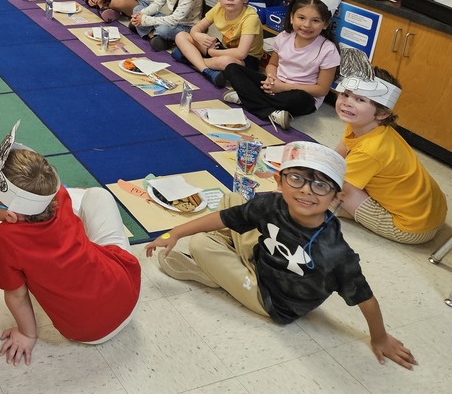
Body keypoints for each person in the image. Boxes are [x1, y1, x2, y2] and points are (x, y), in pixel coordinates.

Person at [146, 141, 417, 370]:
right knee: (233, 201)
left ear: (336, 197)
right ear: (279, 181)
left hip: (272, 300)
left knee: (201, 245)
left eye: (321, 186)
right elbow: (226, 215)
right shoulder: (272, 204)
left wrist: (379, 338)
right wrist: (175, 232)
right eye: (296, 178)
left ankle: (210, 272)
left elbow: (365, 298)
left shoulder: (334, 253)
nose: (306, 190)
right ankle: (231, 255)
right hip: (263, 257)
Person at [0, 123, 141, 364]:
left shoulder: (5, 239)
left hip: (86, 333)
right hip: (127, 294)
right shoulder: (59, 196)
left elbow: (17, 295)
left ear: (11, 216)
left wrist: (27, 333)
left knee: (91, 200)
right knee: (98, 195)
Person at [333, 69, 447, 244]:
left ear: (382, 113)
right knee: (345, 176)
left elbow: (335, 182)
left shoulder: (369, 149)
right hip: (433, 211)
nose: (346, 103)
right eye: (345, 94)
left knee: (339, 192)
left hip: (411, 229)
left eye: (360, 99)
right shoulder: (366, 125)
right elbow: (336, 155)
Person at [223, 0, 341, 131]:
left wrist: (283, 87)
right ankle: (270, 111)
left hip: (301, 94)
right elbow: (272, 65)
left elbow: (321, 90)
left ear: (325, 24)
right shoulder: (284, 37)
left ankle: (247, 99)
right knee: (232, 68)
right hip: (276, 85)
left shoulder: (328, 49)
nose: (306, 25)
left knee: (299, 99)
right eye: (301, 18)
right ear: (292, 18)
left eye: (316, 21)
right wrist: (272, 79)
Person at [173, 0, 263, 86]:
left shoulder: (251, 18)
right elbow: (196, 28)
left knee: (227, 62)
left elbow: (241, 53)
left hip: (247, 60)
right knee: (181, 36)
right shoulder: (218, 7)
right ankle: (205, 70)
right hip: (223, 49)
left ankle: (191, 59)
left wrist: (212, 52)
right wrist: (198, 35)